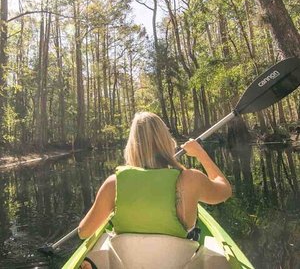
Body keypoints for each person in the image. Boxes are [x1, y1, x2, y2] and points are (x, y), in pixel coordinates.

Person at [78, 112, 232, 269]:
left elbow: (83, 232)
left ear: (131, 145)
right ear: (166, 140)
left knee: (103, 238)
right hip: (179, 264)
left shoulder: (114, 184)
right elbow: (225, 191)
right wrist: (201, 153)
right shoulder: (191, 179)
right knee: (215, 251)